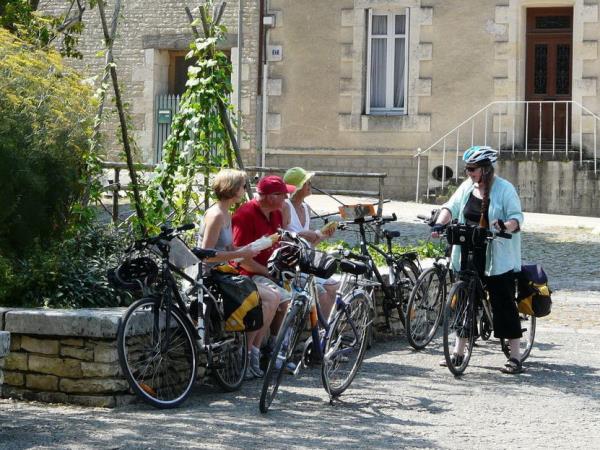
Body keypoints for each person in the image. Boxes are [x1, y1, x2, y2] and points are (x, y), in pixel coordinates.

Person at [431, 146, 525, 374]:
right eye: (467, 169)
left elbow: (516, 218)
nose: (468, 173)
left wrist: (505, 226)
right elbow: (450, 207)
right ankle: (458, 352)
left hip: (497, 254)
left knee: (503, 301)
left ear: (484, 169)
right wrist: (439, 224)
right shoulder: (467, 187)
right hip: (469, 250)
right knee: (464, 299)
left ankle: (515, 355)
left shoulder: (504, 189)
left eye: (472, 169)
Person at [200, 169, 279, 379]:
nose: (245, 190)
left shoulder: (226, 213)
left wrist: (252, 246)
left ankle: (252, 352)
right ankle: (247, 354)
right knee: (263, 298)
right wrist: (241, 253)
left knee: (273, 297)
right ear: (233, 189)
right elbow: (206, 256)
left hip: (224, 272)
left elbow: (229, 247)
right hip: (211, 276)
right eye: (243, 186)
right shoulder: (217, 215)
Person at [232, 175, 297, 371]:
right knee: (277, 298)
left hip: (267, 271)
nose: (286, 199)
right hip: (247, 273)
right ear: (270, 197)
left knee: (289, 300)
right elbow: (240, 257)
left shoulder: (275, 213)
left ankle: (273, 349)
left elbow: (281, 241)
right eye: (283, 195)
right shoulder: (245, 215)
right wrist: (268, 273)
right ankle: (254, 351)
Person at [282, 167, 338, 320]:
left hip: (305, 260)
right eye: (307, 183)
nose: (310, 185)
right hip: (290, 263)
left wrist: (322, 236)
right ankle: (321, 333)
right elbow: (280, 237)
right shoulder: (285, 206)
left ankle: (322, 332)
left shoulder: (306, 208)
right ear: (298, 187)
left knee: (331, 287)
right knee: (328, 287)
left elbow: (309, 245)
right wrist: (301, 234)